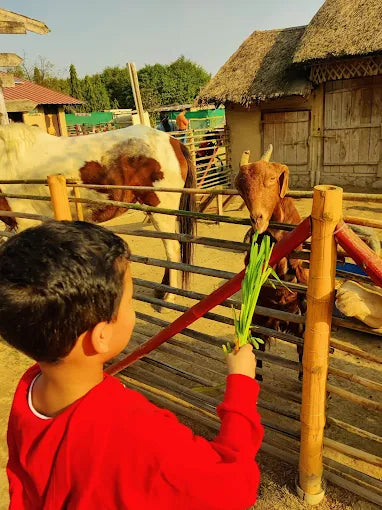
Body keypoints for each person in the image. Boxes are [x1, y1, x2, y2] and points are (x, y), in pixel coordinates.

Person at [1, 221, 263, 510]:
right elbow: (233, 486)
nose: (132, 309)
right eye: (130, 301)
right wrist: (241, 387)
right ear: (100, 336)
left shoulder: (30, 389)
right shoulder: (138, 432)